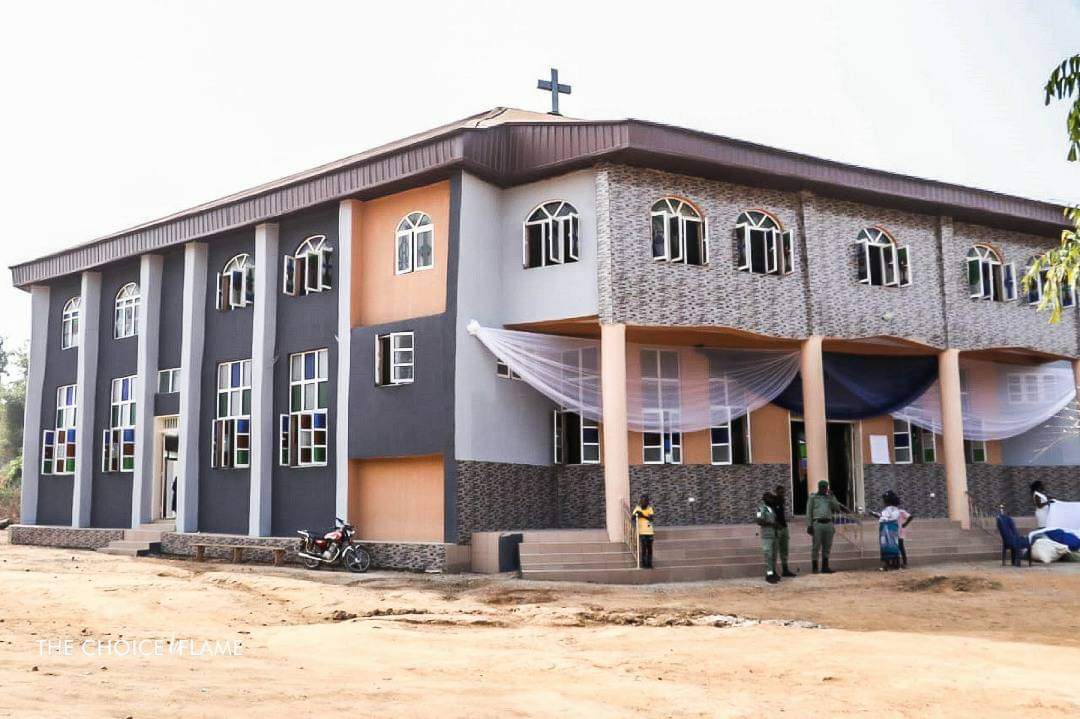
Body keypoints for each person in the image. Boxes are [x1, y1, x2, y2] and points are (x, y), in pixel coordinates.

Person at [806, 479, 842, 574]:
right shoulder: (813, 497)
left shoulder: (829, 498)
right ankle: (815, 567)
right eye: (822, 487)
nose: (824, 489)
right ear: (819, 487)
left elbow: (837, 508)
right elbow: (809, 512)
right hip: (817, 523)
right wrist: (809, 525)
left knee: (827, 546)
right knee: (816, 546)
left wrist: (832, 497)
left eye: (825, 487)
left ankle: (825, 567)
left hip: (828, 524)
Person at [767, 484, 795, 577]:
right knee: (774, 551)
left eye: (783, 492)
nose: (783, 494)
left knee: (784, 550)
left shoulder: (782, 501)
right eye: (781, 492)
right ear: (776, 492)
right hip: (776, 529)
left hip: (784, 527)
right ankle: (772, 572)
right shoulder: (772, 501)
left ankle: (785, 570)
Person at [756, 491, 782, 584]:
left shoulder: (771, 509)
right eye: (770, 498)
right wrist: (772, 524)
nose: (771, 500)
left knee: (774, 555)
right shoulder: (761, 508)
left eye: (772, 498)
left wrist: (776, 525)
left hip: (774, 534)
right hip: (767, 534)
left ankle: (773, 572)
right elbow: (759, 521)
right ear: (765, 499)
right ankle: (769, 574)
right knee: (768, 555)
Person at [631, 495, 655, 569]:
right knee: (644, 548)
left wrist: (642, 515)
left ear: (647, 502)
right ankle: (644, 564)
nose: (644, 502)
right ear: (640, 501)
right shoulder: (637, 508)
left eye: (645, 501)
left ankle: (649, 564)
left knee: (650, 548)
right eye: (642, 501)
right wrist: (636, 515)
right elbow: (632, 518)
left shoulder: (650, 509)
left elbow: (651, 519)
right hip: (642, 531)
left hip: (650, 531)